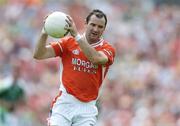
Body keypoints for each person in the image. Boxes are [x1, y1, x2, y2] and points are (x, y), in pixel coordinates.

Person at [33, 9, 115, 126]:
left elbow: (96, 59)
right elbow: (39, 54)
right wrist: (45, 32)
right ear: (86, 23)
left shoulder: (108, 49)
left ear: (104, 29)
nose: (96, 29)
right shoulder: (68, 43)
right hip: (65, 103)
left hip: (88, 108)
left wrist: (76, 36)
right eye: (93, 25)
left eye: (100, 27)